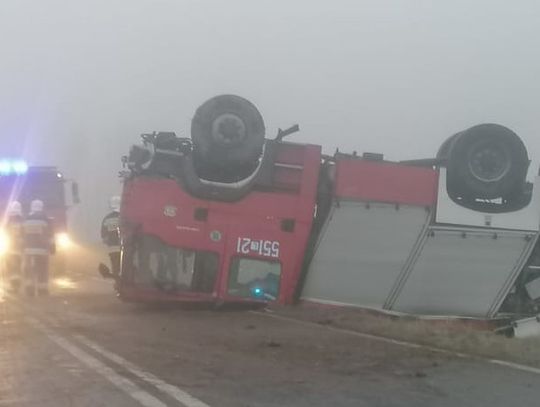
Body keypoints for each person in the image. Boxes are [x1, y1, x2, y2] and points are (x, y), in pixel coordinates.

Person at [22, 199, 55, 296]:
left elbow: (22, 234)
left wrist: (22, 247)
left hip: (28, 250)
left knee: (29, 269)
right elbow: (50, 235)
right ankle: (42, 290)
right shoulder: (45, 219)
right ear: (41, 207)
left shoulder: (26, 219)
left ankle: (29, 288)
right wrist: (52, 247)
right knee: (42, 269)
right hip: (42, 250)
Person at [5, 201, 24, 293]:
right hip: (19, 249)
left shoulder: (8, 221)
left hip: (9, 249)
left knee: (12, 267)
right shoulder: (23, 220)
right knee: (17, 267)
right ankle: (17, 285)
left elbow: (5, 232)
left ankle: (14, 285)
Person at [101, 196, 121, 277]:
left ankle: (117, 280)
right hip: (125, 246)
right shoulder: (124, 216)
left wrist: (108, 241)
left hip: (112, 247)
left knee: (115, 265)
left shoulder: (107, 218)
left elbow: (103, 234)